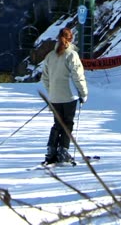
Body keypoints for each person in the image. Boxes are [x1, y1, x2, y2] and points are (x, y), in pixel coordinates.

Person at [40, 27, 89, 165]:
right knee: (68, 123)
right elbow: (78, 76)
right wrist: (83, 93)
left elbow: (45, 78)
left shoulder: (50, 56)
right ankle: (63, 150)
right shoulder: (72, 55)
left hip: (54, 97)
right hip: (69, 96)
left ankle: (51, 151)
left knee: (57, 124)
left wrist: (52, 91)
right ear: (71, 39)